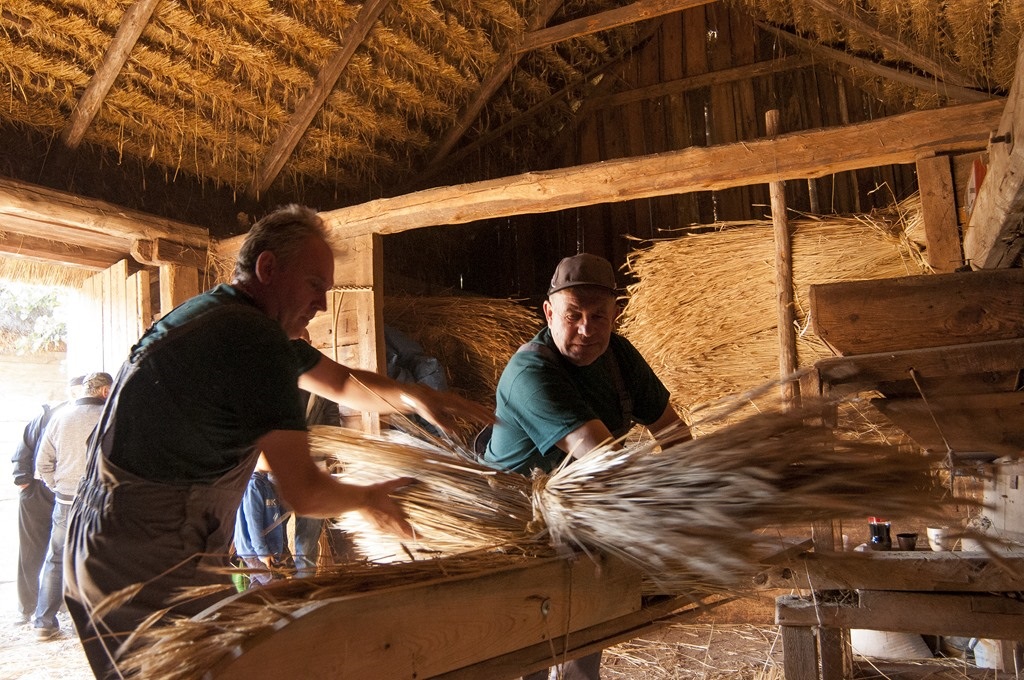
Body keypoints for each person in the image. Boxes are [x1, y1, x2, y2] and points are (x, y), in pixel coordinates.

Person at [64, 204, 493, 679]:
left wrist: (417, 395)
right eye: (314, 285)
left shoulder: (221, 317)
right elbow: (304, 493)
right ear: (268, 268)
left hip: (110, 540)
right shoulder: (254, 340)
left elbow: (341, 382)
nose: (322, 304)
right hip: (147, 555)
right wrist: (367, 499)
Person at [481, 253, 689, 680]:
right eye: (572, 315)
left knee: (584, 641)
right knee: (527, 650)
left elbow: (674, 433)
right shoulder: (530, 373)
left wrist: (702, 491)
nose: (586, 329)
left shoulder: (618, 357)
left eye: (598, 317)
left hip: (582, 517)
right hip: (517, 525)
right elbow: (601, 456)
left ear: (616, 315)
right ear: (548, 312)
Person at [33, 371, 112, 640]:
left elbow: (42, 463)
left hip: (65, 501)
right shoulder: (109, 418)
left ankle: (44, 623)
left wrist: (58, 486)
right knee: (96, 559)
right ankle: (92, 625)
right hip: (98, 502)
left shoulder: (60, 417)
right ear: (104, 391)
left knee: (56, 558)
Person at [11, 374, 84, 626]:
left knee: (64, 551)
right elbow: (23, 450)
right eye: (76, 391)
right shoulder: (48, 415)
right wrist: (24, 482)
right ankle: (27, 607)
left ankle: (58, 604)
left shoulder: (86, 415)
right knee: (32, 551)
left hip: (66, 493)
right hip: (38, 492)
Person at [233, 454, 288, 587]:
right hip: (254, 551)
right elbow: (253, 523)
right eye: (267, 454)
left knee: (258, 586)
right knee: (276, 586)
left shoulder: (266, 483)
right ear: (254, 457)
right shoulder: (253, 485)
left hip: (263, 549)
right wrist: (262, 553)